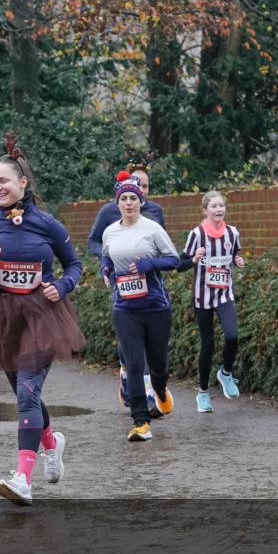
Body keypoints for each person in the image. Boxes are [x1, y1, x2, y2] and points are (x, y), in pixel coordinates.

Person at [0, 135, 85, 506]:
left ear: (22, 183)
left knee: (26, 393)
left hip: (42, 316)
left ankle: (22, 479)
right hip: (2, 318)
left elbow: (75, 265)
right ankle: (51, 442)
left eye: (4, 180)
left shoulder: (46, 224)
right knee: (24, 391)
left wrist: (61, 286)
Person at [100, 174, 180, 441]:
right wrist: (106, 268)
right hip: (125, 308)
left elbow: (174, 260)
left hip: (156, 306)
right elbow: (106, 254)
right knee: (134, 363)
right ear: (118, 203)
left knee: (158, 364)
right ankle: (140, 422)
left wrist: (150, 265)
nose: (128, 202)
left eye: (133, 198)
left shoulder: (152, 228)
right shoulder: (110, 231)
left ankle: (160, 388)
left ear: (141, 201)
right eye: (123, 198)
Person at [88, 161, 166, 413]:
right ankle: (135, 381)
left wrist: (152, 263)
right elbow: (93, 242)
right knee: (130, 336)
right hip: (120, 282)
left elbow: (162, 249)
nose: (139, 191)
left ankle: (145, 390)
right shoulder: (108, 213)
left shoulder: (155, 213)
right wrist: (108, 259)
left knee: (147, 342)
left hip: (150, 283)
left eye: (145, 186)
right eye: (136, 184)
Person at [177, 191, 245, 412]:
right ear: (205, 210)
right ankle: (203, 393)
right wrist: (194, 259)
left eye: (221, 206)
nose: (218, 210)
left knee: (233, 336)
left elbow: (235, 254)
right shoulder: (196, 234)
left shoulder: (233, 233)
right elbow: (181, 263)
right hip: (202, 296)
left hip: (224, 294)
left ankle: (225, 373)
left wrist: (238, 260)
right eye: (214, 206)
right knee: (208, 345)